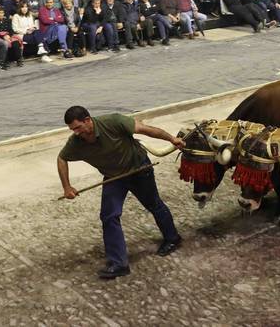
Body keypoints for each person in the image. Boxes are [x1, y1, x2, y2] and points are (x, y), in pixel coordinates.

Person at [57, 106, 185, 279]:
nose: (76, 133)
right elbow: (62, 158)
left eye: (78, 127)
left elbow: (146, 129)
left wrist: (172, 139)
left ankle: (173, 238)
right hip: (113, 178)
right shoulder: (76, 142)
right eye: (72, 130)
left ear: (88, 120)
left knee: (153, 204)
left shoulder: (113, 121)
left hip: (139, 169)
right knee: (109, 216)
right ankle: (119, 264)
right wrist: (67, 187)